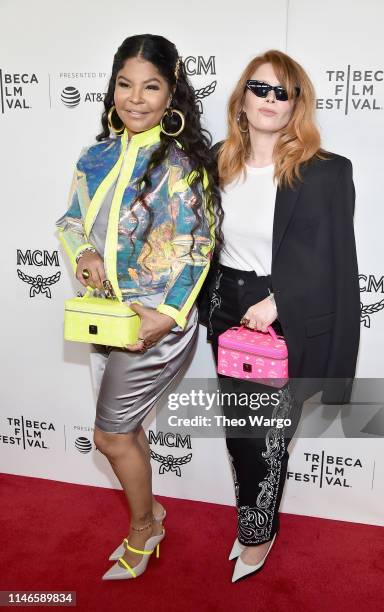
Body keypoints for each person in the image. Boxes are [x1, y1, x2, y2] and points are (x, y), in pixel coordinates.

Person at [55, 34, 217, 581]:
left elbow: (199, 247)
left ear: (172, 94)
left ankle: (145, 528)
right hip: (105, 316)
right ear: (113, 87)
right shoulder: (94, 155)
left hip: (157, 323)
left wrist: (167, 318)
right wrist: (84, 256)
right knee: (126, 431)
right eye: (126, 84)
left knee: (108, 436)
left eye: (151, 86)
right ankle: (152, 511)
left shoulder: (183, 163)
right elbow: (71, 220)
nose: (135, 98)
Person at [202, 49, 360, 582]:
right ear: (241, 99)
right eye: (259, 88)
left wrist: (280, 301)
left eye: (283, 91)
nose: (270, 100)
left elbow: (334, 260)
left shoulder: (326, 173)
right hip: (226, 310)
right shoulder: (216, 162)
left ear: (297, 104)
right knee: (240, 432)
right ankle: (255, 519)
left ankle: (257, 533)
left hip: (281, 314)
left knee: (267, 436)